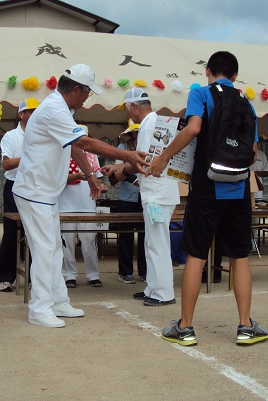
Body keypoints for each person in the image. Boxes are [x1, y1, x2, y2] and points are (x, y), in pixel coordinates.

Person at [148, 51, 268, 346]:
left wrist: (165, 156)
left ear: (207, 71)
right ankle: (245, 326)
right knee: (240, 256)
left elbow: (193, 128)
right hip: (239, 188)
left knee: (196, 255)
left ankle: (185, 327)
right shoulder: (246, 103)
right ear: (236, 76)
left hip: (207, 186)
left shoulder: (200, 94)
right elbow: (253, 153)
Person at [12, 64, 148, 328]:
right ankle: (39, 309)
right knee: (45, 250)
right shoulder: (53, 109)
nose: (88, 98)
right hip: (34, 191)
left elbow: (74, 147)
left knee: (54, 249)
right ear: (76, 89)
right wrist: (127, 155)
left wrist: (90, 177)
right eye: (87, 93)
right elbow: (84, 143)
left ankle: (58, 301)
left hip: (45, 193)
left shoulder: (62, 109)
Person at [103, 88, 179, 307]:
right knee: (151, 243)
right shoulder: (156, 122)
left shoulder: (147, 125)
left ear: (135, 107)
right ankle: (153, 287)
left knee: (157, 244)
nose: (129, 115)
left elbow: (141, 162)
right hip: (158, 192)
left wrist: (121, 172)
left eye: (128, 110)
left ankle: (163, 292)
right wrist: (118, 167)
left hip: (157, 195)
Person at [0, 97, 39, 292]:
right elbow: (6, 164)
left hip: (35, 186)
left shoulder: (42, 136)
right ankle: (6, 278)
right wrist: (26, 159)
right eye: (30, 111)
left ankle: (33, 278)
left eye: (36, 112)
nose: (33, 115)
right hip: (14, 186)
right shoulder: (11, 137)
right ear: (21, 114)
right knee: (11, 232)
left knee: (34, 233)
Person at [60, 125, 107, 289]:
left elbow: (98, 177)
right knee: (67, 242)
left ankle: (93, 275)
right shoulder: (62, 153)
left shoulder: (92, 155)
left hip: (87, 204)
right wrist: (77, 175)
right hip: (65, 204)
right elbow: (57, 178)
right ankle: (69, 275)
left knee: (89, 241)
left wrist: (100, 185)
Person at [107, 120, 146, 284]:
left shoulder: (150, 146)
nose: (137, 134)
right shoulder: (122, 148)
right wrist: (133, 179)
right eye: (135, 131)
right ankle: (125, 272)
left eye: (139, 130)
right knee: (125, 236)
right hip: (126, 197)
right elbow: (116, 172)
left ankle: (145, 271)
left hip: (145, 197)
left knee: (146, 237)